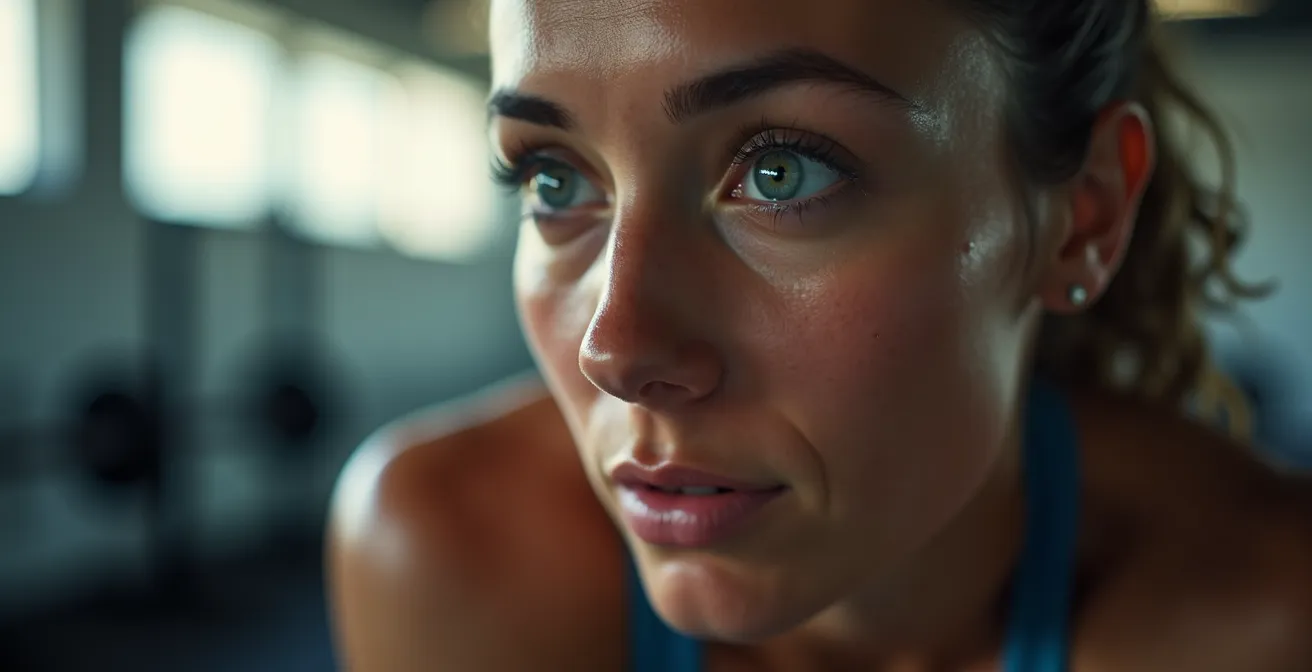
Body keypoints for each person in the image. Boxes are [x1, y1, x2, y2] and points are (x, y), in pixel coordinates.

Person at [326, 0, 1312, 669]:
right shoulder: (452, 557)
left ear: (1081, 217)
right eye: (554, 179)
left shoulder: (1260, 616)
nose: (615, 351)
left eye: (780, 173)